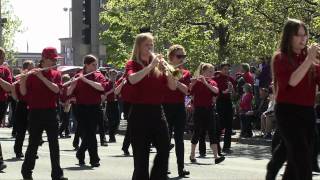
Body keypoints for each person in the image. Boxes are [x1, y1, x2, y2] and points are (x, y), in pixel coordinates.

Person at [266, 18, 320, 180]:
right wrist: (309, 59)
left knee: (291, 153)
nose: (303, 39)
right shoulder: (280, 57)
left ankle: (272, 169)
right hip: (287, 111)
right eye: (298, 35)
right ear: (289, 36)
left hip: (307, 111)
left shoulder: (310, 59)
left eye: (305, 35)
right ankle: (273, 169)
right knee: (302, 159)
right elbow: (292, 81)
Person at [126, 32, 176, 180]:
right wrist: (150, 67)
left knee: (164, 147)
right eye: (147, 45)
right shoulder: (132, 64)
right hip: (139, 113)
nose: (150, 48)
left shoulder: (159, 66)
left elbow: (173, 87)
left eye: (151, 45)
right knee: (141, 158)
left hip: (157, 111)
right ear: (139, 47)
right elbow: (132, 79)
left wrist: (170, 73)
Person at [20, 47, 67, 180]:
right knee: (33, 143)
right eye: (52, 59)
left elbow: (56, 90)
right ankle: (26, 172)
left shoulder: (55, 74)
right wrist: (23, 79)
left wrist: (41, 77)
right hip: (35, 112)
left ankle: (57, 174)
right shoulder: (31, 74)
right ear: (44, 59)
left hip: (51, 112)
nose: (54, 62)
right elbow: (23, 93)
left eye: (54, 60)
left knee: (54, 144)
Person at [67, 54, 107, 167]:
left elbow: (102, 87)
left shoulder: (98, 75)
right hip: (81, 108)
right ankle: (91, 158)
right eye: (94, 65)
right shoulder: (77, 75)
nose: (96, 67)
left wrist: (86, 80)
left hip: (94, 107)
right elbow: (69, 92)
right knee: (89, 134)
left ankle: (84, 155)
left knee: (91, 133)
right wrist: (73, 84)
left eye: (96, 64)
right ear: (86, 65)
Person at [162, 44, 190, 177]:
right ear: (171, 56)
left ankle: (181, 168)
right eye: (179, 56)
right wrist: (168, 72)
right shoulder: (162, 70)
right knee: (165, 139)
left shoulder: (185, 72)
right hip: (165, 107)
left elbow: (186, 90)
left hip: (179, 107)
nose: (181, 59)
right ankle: (164, 167)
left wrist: (176, 77)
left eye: (183, 56)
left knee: (179, 139)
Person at [189, 62, 225, 164]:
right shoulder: (197, 83)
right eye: (209, 71)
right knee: (197, 132)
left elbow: (216, 91)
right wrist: (192, 83)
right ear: (203, 72)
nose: (211, 73)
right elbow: (190, 93)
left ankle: (216, 156)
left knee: (212, 132)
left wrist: (205, 82)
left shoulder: (212, 82)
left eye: (212, 71)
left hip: (209, 109)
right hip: (199, 110)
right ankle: (192, 155)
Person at [12, 60, 35, 158]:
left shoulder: (34, 79)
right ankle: (18, 150)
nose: (33, 69)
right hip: (22, 106)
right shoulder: (19, 80)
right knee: (21, 131)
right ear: (25, 69)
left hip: (33, 106)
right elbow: (16, 97)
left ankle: (32, 152)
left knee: (34, 131)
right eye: (31, 68)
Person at [213, 63, 236, 154]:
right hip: (220, 103)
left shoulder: (231, 79)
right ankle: (217, 146)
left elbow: (234, 95)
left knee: (229, 125)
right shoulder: (216, 79)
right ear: (221, 69)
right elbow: (215, 93)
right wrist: (224, 92)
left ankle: (227, 147)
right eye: (225, 69)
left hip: (228, 103)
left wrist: (232, 89)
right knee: (220, 125)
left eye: (228, 69)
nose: (227, 71)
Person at [0, 47, 12, 171]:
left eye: (2, 57)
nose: (2, 60)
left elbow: (9, 88)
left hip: (1, 102)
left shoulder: (5, 70)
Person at [104, 69, 120, 143]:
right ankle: (111, 137)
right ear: (109, 75)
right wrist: (112, 90)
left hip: (116, 103)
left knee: (117, 120)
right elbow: (105, 94)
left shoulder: (117, 83)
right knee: (111, 121)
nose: (114, 77)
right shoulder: (107, 84)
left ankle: (112, 133)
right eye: (112, 75)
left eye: (115, 75)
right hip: (109, 103)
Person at [58, 74, 73, 138]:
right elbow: (58, 98)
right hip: (63, 105)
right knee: (65, 120)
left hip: (68, 104)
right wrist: (62, 104)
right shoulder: (62, 88)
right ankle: (59, 132)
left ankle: (67, 132)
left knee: (67, 119)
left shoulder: (68, 87)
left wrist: (69, 100)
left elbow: (71, 96)